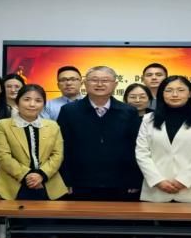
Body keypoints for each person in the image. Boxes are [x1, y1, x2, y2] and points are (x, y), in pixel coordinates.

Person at [58, 66, 143, 201]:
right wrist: (65, 179)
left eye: (105, 80)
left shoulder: (128, 111)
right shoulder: (69, 111)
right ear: (85, 83)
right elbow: (62, 146)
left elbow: (136, 147)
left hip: (120, 182)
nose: (99, 84)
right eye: (94, 80)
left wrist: (135, 178)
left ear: (115, 84)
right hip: (80, 182)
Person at [135, 75, 191, 203]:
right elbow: (142, 152)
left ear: (190, 93)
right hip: (157, 191)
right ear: (162, 94)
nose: (174, 94)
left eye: (181, 90)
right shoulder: (148, 119)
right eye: (168, 90)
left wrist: (183, 181)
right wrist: (158, 181)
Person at [0, 84, 66, 200]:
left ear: (43, 104)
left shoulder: (53, 126)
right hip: (13, 184)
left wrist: (41, 175)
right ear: (17, 102)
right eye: (27, 99)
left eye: (38, 100)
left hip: (47, 183)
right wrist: (27, 177)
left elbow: (57, 155)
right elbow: (3, 156)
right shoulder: (3, 125)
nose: (32, 104)